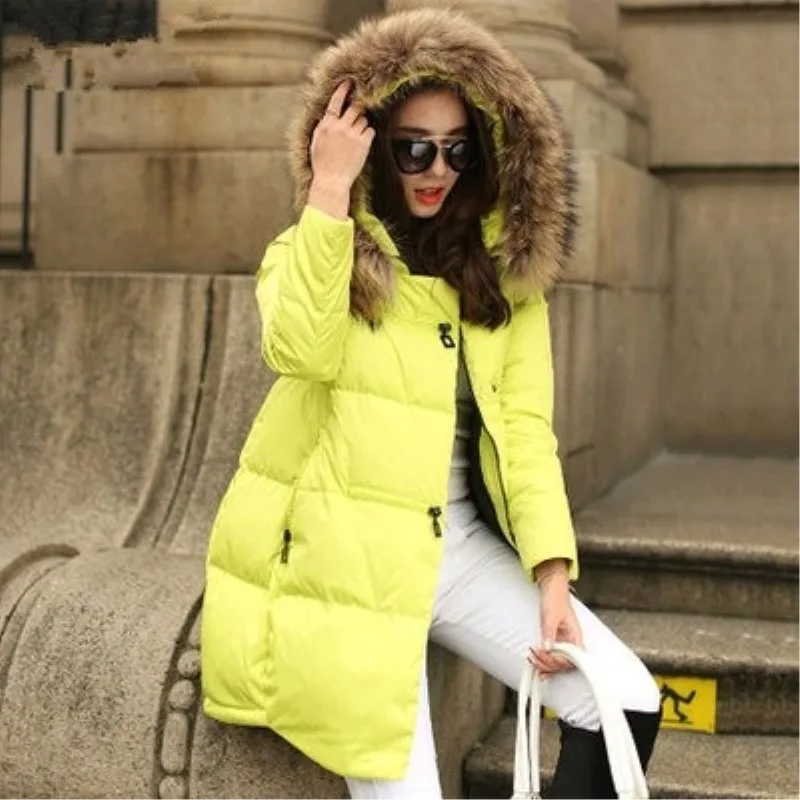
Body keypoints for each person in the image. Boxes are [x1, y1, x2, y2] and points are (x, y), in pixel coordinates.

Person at [200, 8, 662, 799]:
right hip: (345, 563)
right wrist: (329, 190)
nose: (434, 169)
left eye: (456, 149)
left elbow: (526, 433)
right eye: (413, 147)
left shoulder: (501, 283)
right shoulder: (313, 251)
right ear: (375, 145)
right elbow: (298, 350)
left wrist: (553, 574)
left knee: (622, 699)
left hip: (457, 552)